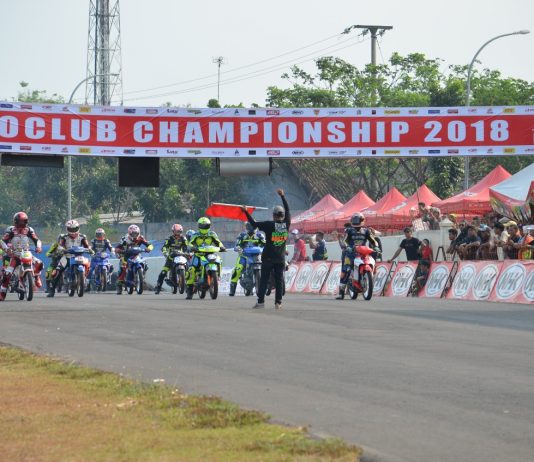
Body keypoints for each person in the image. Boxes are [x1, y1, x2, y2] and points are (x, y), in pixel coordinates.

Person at [240, 189, 290, 310]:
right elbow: (288, 210)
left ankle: (261, 302)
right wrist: (283, 196)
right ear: (283, 215)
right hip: (280, 258)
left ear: (274, 215)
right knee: (279, 281)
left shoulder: (269, 225)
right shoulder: (287, 224)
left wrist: (246, 211)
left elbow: (253, 223)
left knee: (263, 280)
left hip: (268, 258)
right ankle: (278, 303)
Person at [0, 212, 43, 301]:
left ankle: (37, 276)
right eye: (19, 222)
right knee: (7, 274)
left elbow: (37, 240)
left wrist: (38, 247)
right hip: (15, 256)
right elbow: (2, 241)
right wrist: (7, 249)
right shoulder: (11, 230)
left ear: (26, 222)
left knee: (39, 263)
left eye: (23, 222)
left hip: (27, 253)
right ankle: (2, 293)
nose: (21, 224)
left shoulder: (29, 230)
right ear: (15, 222)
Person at [336, 212, 378, 300]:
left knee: (372, 262)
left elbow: (373, 240)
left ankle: (366, 280)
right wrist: (347, 247)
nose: (356, 222)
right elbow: (344, 240)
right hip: (350, 253)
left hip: (363, 253)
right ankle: (341, 292)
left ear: (362, 220)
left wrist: (376, 246)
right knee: (346, 270)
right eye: (354, 220)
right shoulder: (349, 230)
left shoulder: (366, 231)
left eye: (358, 220)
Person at [47, 220, 93, 298]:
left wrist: (90, 249)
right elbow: (61, 245)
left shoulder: (83, 237)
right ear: (67, 229)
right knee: (58, 271)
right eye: (71, 229)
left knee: (88, 265)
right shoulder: (64, 237)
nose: (73, 231)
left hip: (79, 256)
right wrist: (61, 249)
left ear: (78, 228)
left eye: (75, 229)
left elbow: (87, 246)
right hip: (67, 257)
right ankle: (52, 290)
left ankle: (85, 280)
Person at [185, 217, 226, 299]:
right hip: (198, 255)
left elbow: (218, 242)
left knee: (219, 260)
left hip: (210, 254)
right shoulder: (195, 235)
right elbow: (190, 243)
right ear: (199, 226)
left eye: (206, 226)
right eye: (202, 226)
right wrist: (192, 247)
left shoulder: (212, 234)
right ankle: (189, 291)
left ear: (209, 226)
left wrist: (222, 247)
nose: (204, 227)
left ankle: (217, 276)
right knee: (192, 269)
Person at [229, 222, 266, 296]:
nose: (251, 228)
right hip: (244, 256)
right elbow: (237, 245)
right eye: (249, 227)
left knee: (267, 267)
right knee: (238, 269)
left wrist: (266, 249)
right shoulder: (242, 235)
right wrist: (238, 248)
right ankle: (232, 290)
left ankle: (267, 285)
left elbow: (265, 244)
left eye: (253, 226)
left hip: (257, 256)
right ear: (246, 227)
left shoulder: (260, 235)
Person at [114, 224, 153, 295]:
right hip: (126, 255)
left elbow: (150, 245)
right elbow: (117, 248)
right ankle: (119, 285)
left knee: (145, 264)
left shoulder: (141, 238)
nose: (135, 235)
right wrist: (121, 251)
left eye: (136, 233)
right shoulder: (124, 239)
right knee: (123, 267)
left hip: (137, 255)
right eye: (133, 234)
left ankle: (142, 277)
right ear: (129, 233)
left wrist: (149, 248)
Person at [154, 224, 189, 294]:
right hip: (171, 257)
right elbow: (164, 247)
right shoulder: (169, 238)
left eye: (179, 232)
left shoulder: (184, 238)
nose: (178, 233)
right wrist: (165, 252)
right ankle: (158, 287)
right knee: (163, 272)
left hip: (181, 256)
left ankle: (189, 287)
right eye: (177, 232)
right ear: (173, 231)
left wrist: (189, 252)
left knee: (190, 270)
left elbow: (188, 246)